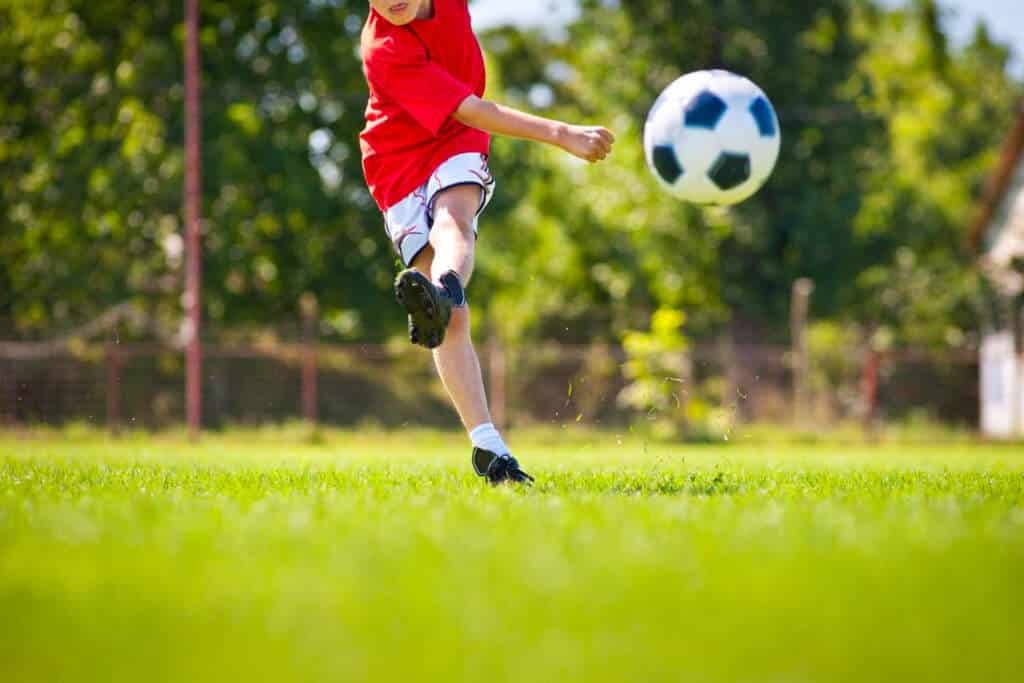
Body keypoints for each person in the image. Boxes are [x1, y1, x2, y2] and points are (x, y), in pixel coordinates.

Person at [360, 0, 614, 484]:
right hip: (394, 163)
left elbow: (466, 121)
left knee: (454, 218)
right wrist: (562, 133)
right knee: (452, 322)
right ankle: (489, 449)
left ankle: (446, 286)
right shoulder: (385, 48)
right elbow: (472, 106)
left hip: (456, 139)